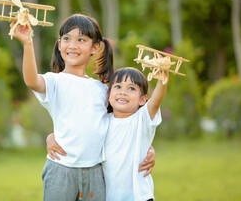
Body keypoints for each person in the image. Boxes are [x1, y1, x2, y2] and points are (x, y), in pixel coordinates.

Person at [12, 14, 154, 201]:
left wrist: (147, 148)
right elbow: (31, 80)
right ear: (59, 44)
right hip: (61, 170)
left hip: (95, 172)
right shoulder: (55, 82)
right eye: (66, 39)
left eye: (81, 40)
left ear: (94, 47)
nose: (72, 45)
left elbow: (125, 123)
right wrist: (27, 44)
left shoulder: (102, 90)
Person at [48, 67, 167, 201]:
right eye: (118, 86)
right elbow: (80, 131)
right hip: (110, 196)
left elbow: (155, 102)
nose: (123, 92)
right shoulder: (102, 121)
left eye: (131, 88)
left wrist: (162, 80)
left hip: (138, 196)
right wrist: (51, 137)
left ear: (142, 99)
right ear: (108, 94)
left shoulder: (141, 120)